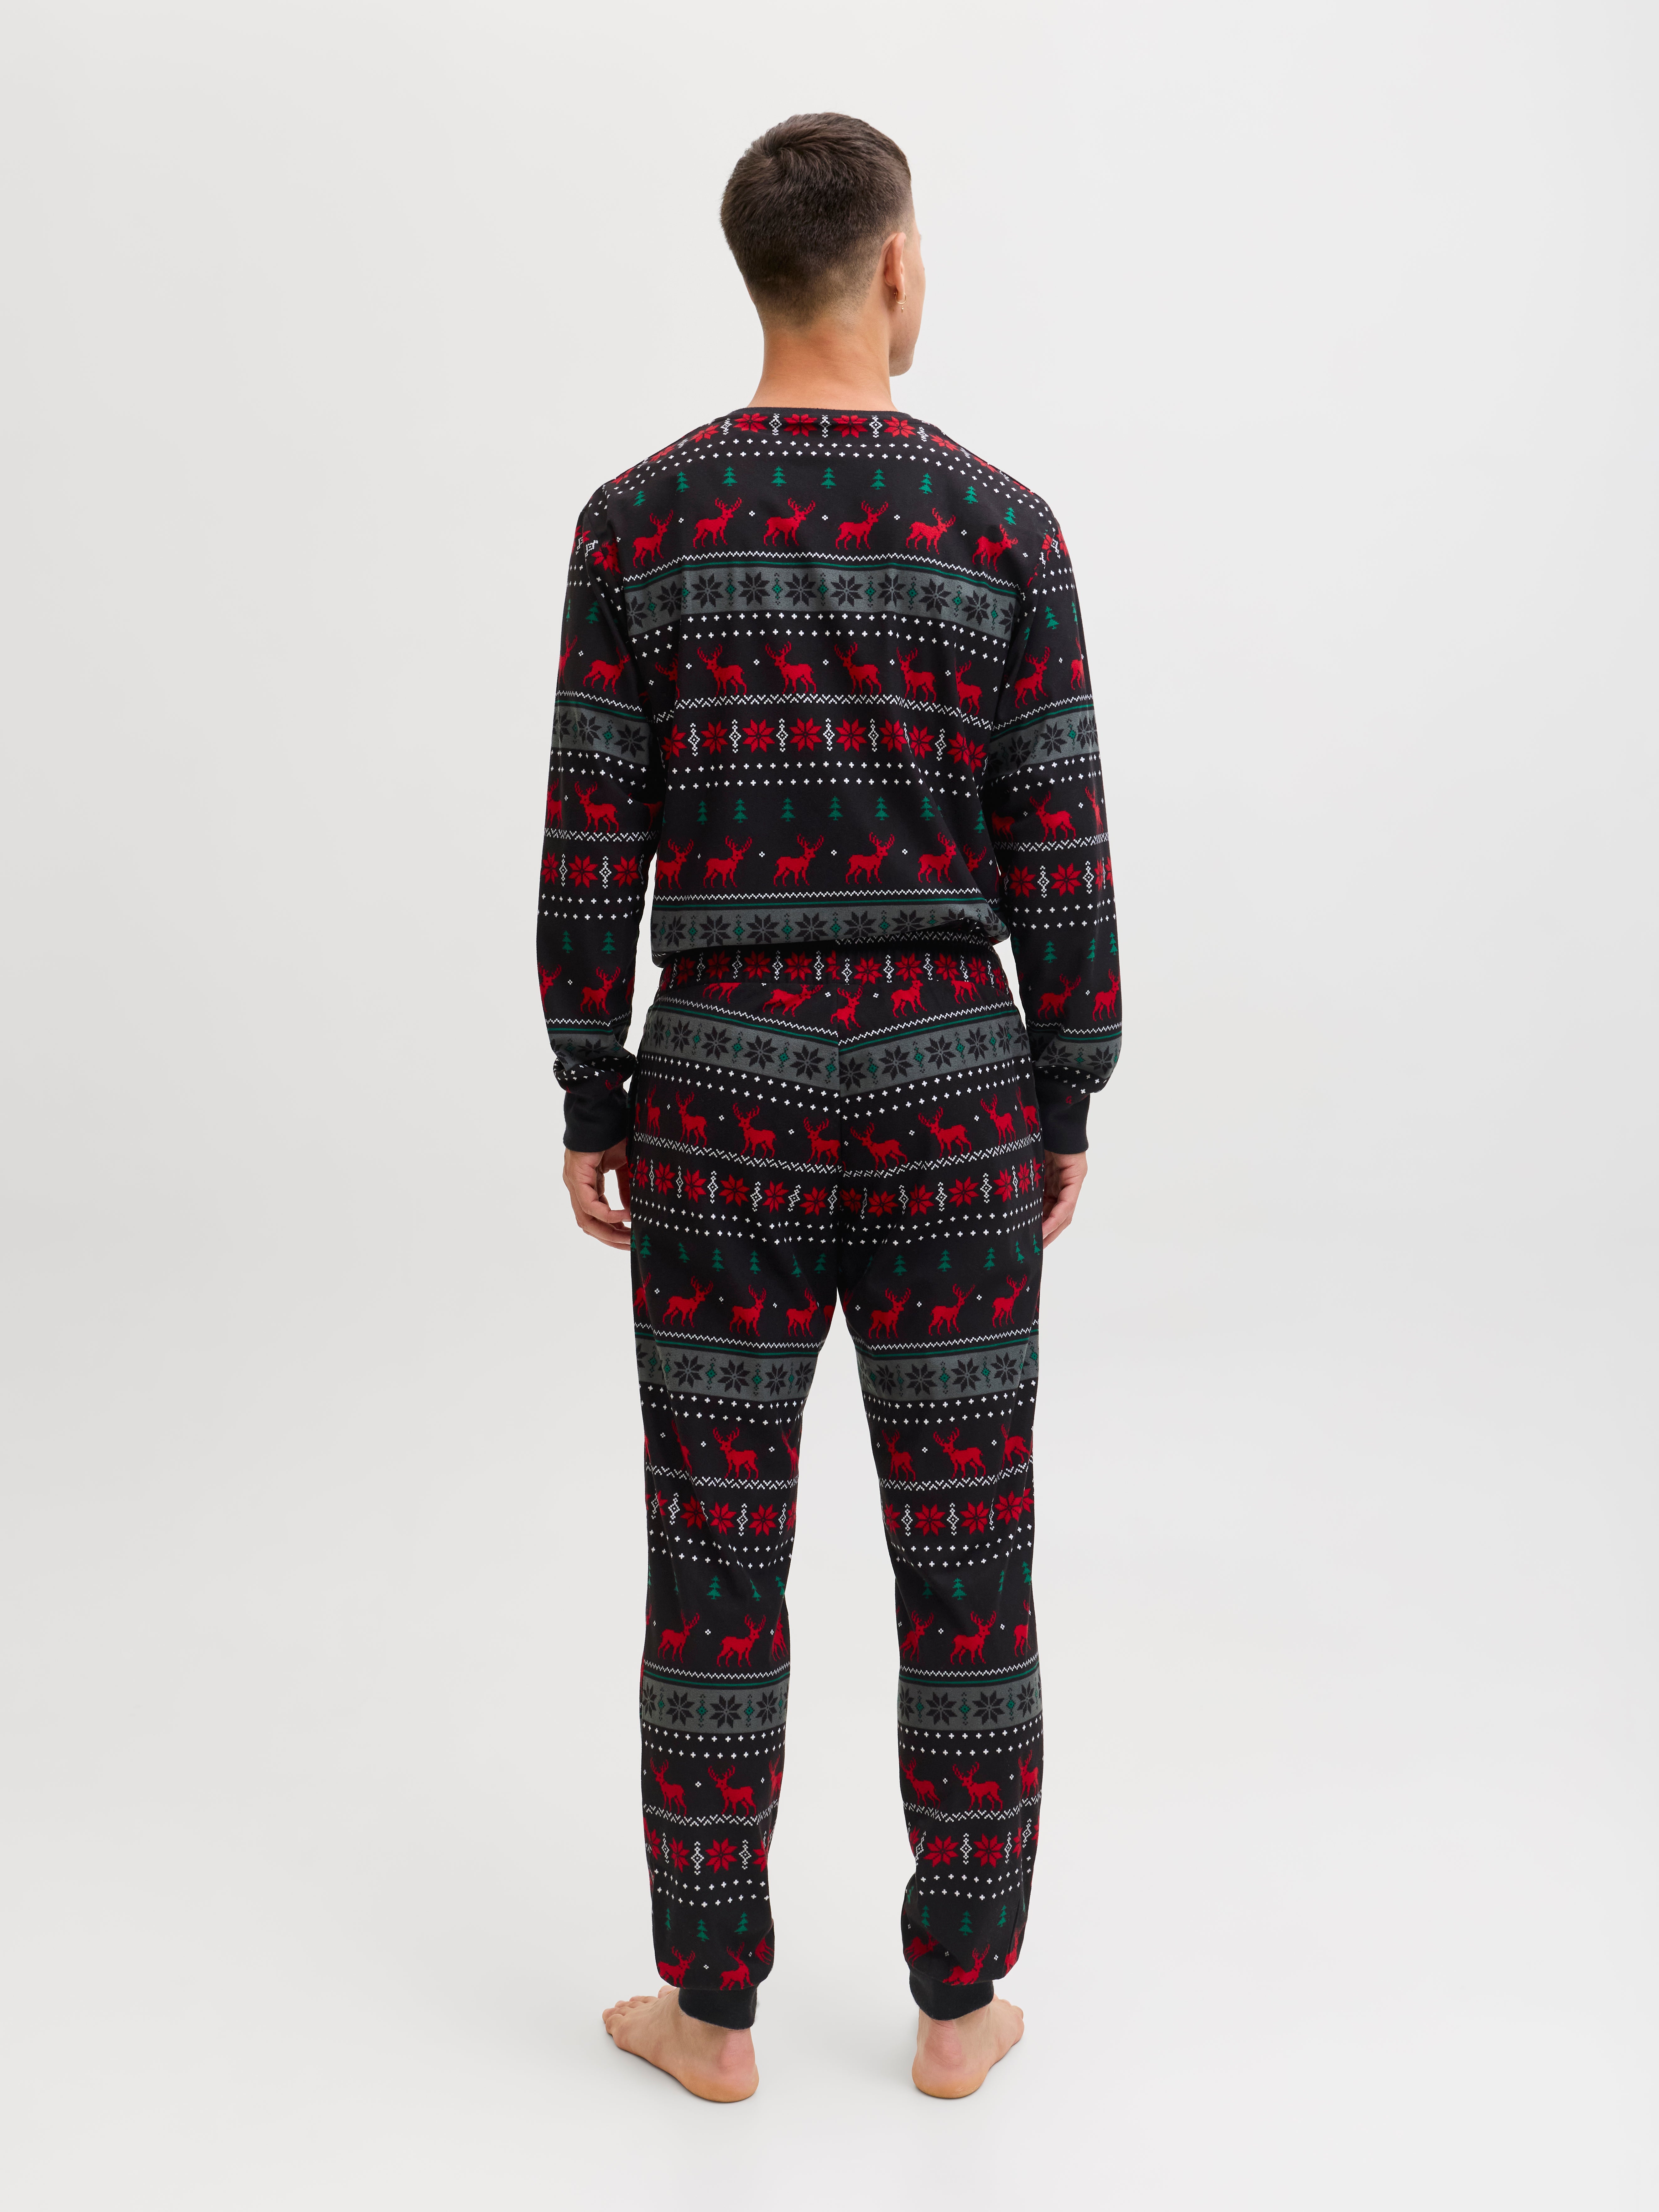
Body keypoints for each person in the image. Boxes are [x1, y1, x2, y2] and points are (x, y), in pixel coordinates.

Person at [538, 112, 1121, 2101]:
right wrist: (1065, 1088)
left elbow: (591, 843)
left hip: (723, 1091)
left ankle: (710, 2015)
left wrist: (593, 1082)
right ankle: (960, 2006)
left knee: (716, 1551)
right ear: (894, 268)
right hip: (954, 1089)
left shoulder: (638, 526)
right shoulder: (1004, 529)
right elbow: (1062, 847)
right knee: (970, 1547)